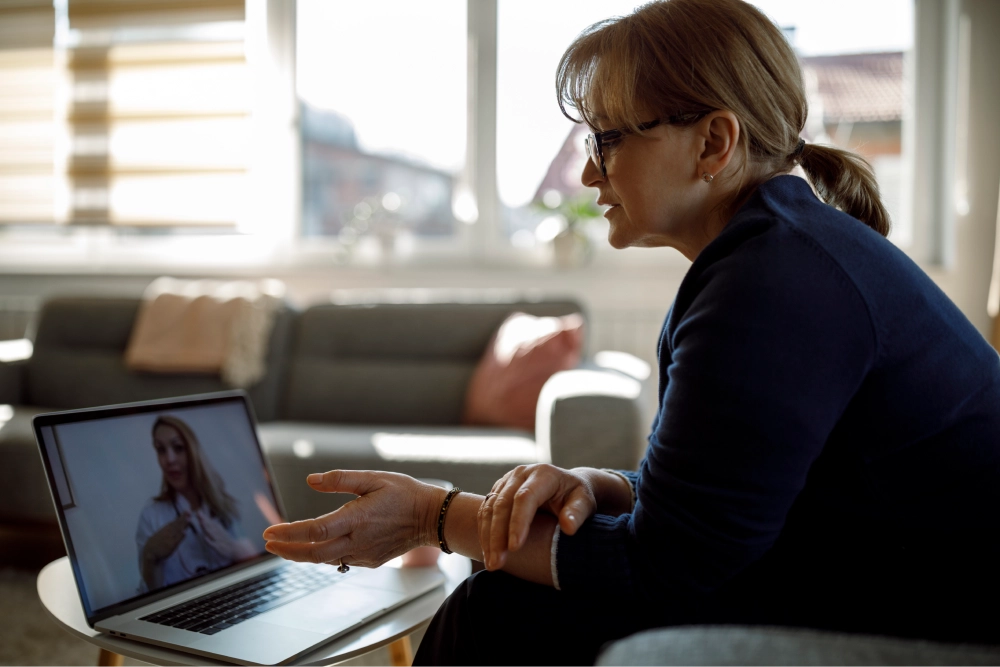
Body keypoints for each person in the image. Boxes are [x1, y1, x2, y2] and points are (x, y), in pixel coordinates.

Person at [261, 0, 1000, 663]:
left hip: (936, 608)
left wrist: (434, 514)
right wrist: (605, 485)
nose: (589, 174)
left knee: (503, 611)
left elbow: (665, 566)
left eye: (608, 140)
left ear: (713, 143)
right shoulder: (779, 250)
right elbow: (724, 494)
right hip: (871, 566)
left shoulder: (774, 278)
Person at [136, 415, 256, 591]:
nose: (169, 459)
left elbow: (257, 565)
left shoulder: (224, 505)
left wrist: (233, 549)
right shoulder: (151, 516)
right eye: (161, 450)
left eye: (178, 448)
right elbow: (149, 596)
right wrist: (150, 557)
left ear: (194, 451)